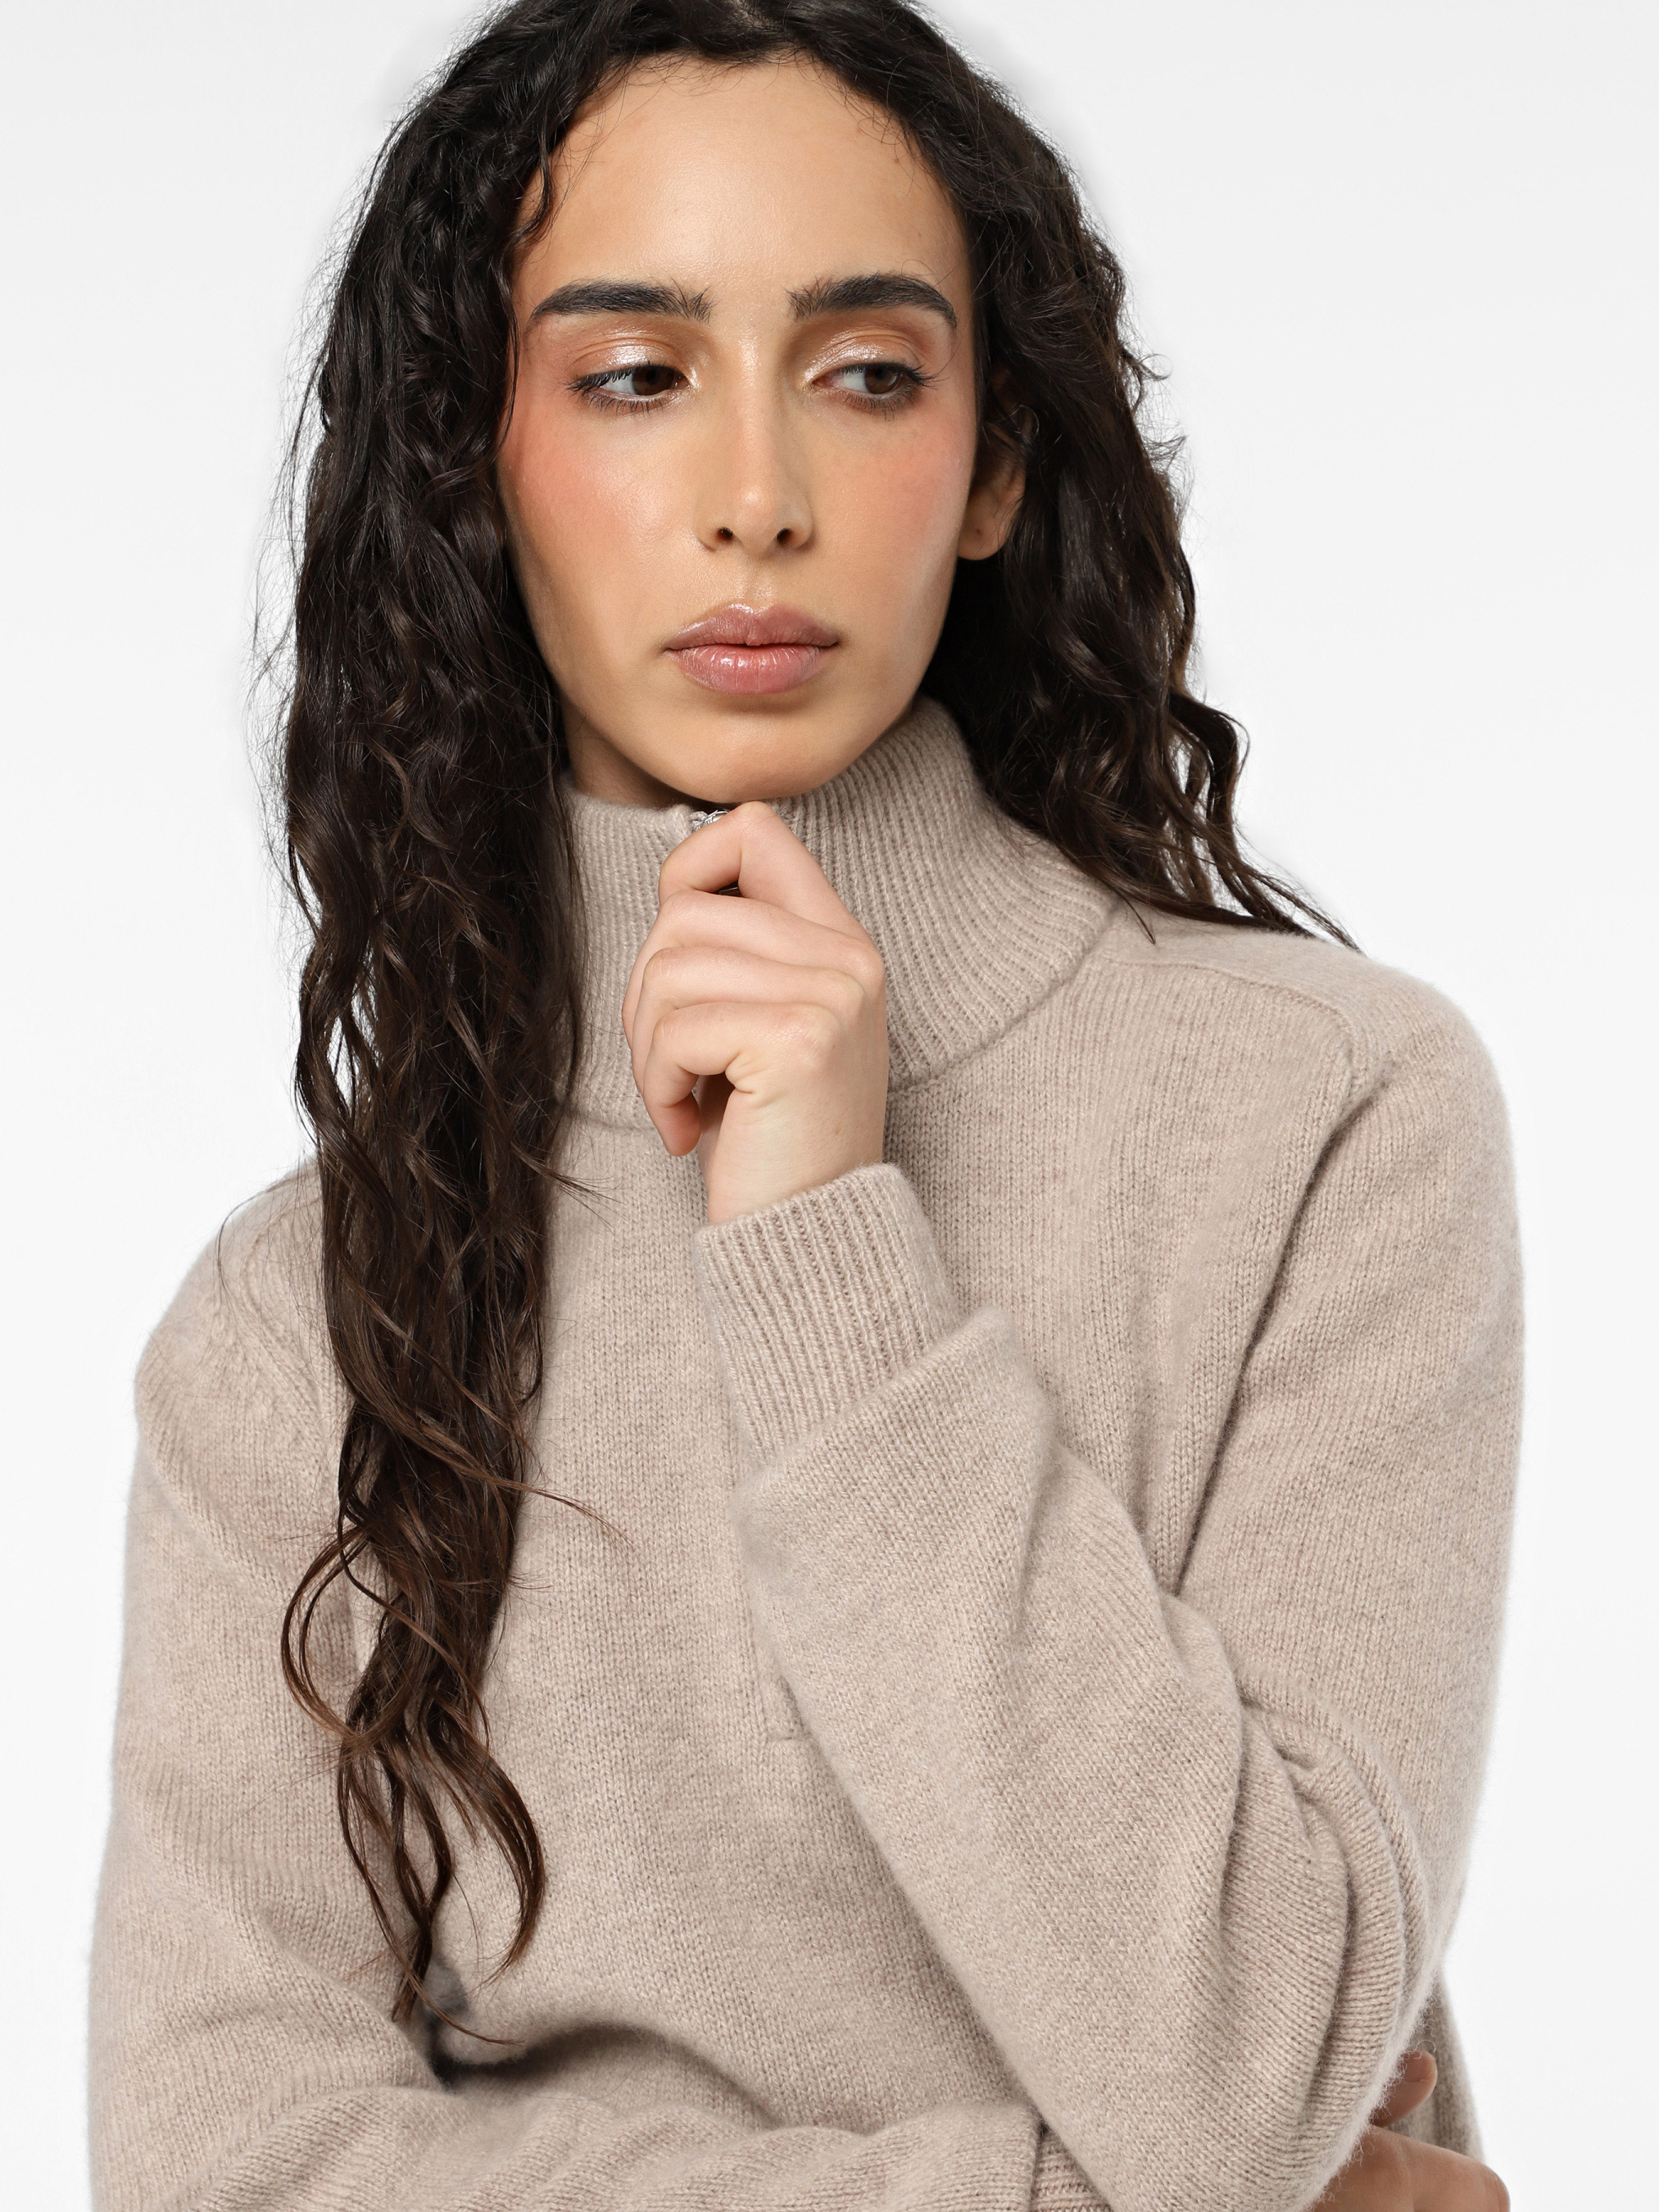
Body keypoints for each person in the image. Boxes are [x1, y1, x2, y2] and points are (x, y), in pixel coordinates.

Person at [87, 4, 1521, 2208]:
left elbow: (1241, 2080)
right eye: (634, 375)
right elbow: (223, 2167)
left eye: (863, 372)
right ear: (475, 456)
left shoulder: (1333, 1121)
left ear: (997, 464)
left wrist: (823, 1245)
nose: (755, 493)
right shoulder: (298, 1320)